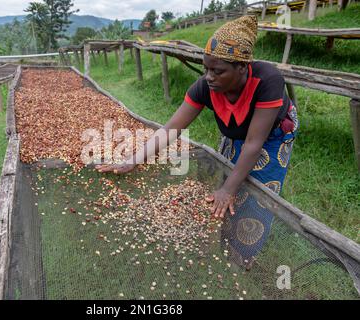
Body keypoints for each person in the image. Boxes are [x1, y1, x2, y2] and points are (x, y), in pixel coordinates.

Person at [96, 15, 298, 268]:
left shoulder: (267, 80)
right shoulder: (205, 87)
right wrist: (133, 160)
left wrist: (227, 190)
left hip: (270, 137)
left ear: (242, 68)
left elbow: (254, 144)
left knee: (255, 190)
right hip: (235, 133)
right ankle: (225, 237)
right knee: (230, 175)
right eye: (206, 69)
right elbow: (170, 129)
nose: (209, 76)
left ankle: (243, 255)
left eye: (218, 71)